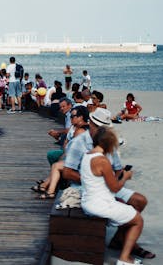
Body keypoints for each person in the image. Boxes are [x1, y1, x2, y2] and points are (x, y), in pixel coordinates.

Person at [62, 108, 154, 260]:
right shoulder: (78, 142)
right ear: (90, 124)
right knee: (133, 215)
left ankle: (121, 238)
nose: (100, 131)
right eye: (98, 127)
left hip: (106, 185)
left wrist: (115, 176)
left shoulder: (107, 143)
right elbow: (67, 172)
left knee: (140, 201)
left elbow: (117, 169)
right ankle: (128, 247)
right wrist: (93, 179)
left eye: (103, 128)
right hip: (85, 188)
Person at [81, 127, 144, 265]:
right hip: (100, 204)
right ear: (109, 144)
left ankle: (119, 242)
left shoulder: (87, 155)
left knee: (129, 212)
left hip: (88, 201)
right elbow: (115, 187)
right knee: (138, 220)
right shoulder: (102, 160)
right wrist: (125, 177)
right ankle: (124, 259)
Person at [33, 106, 89, 198]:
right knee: (57, 163)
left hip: (80, 163)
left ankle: (49, 190)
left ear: (81, 117)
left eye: (73, 116)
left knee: (56, 165)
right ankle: (46, 187)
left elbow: (76, 150)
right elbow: (67, 143)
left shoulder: (81, 131)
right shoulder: (76, 128)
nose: (70, 118)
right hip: (75, 159)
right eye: (70, 116)